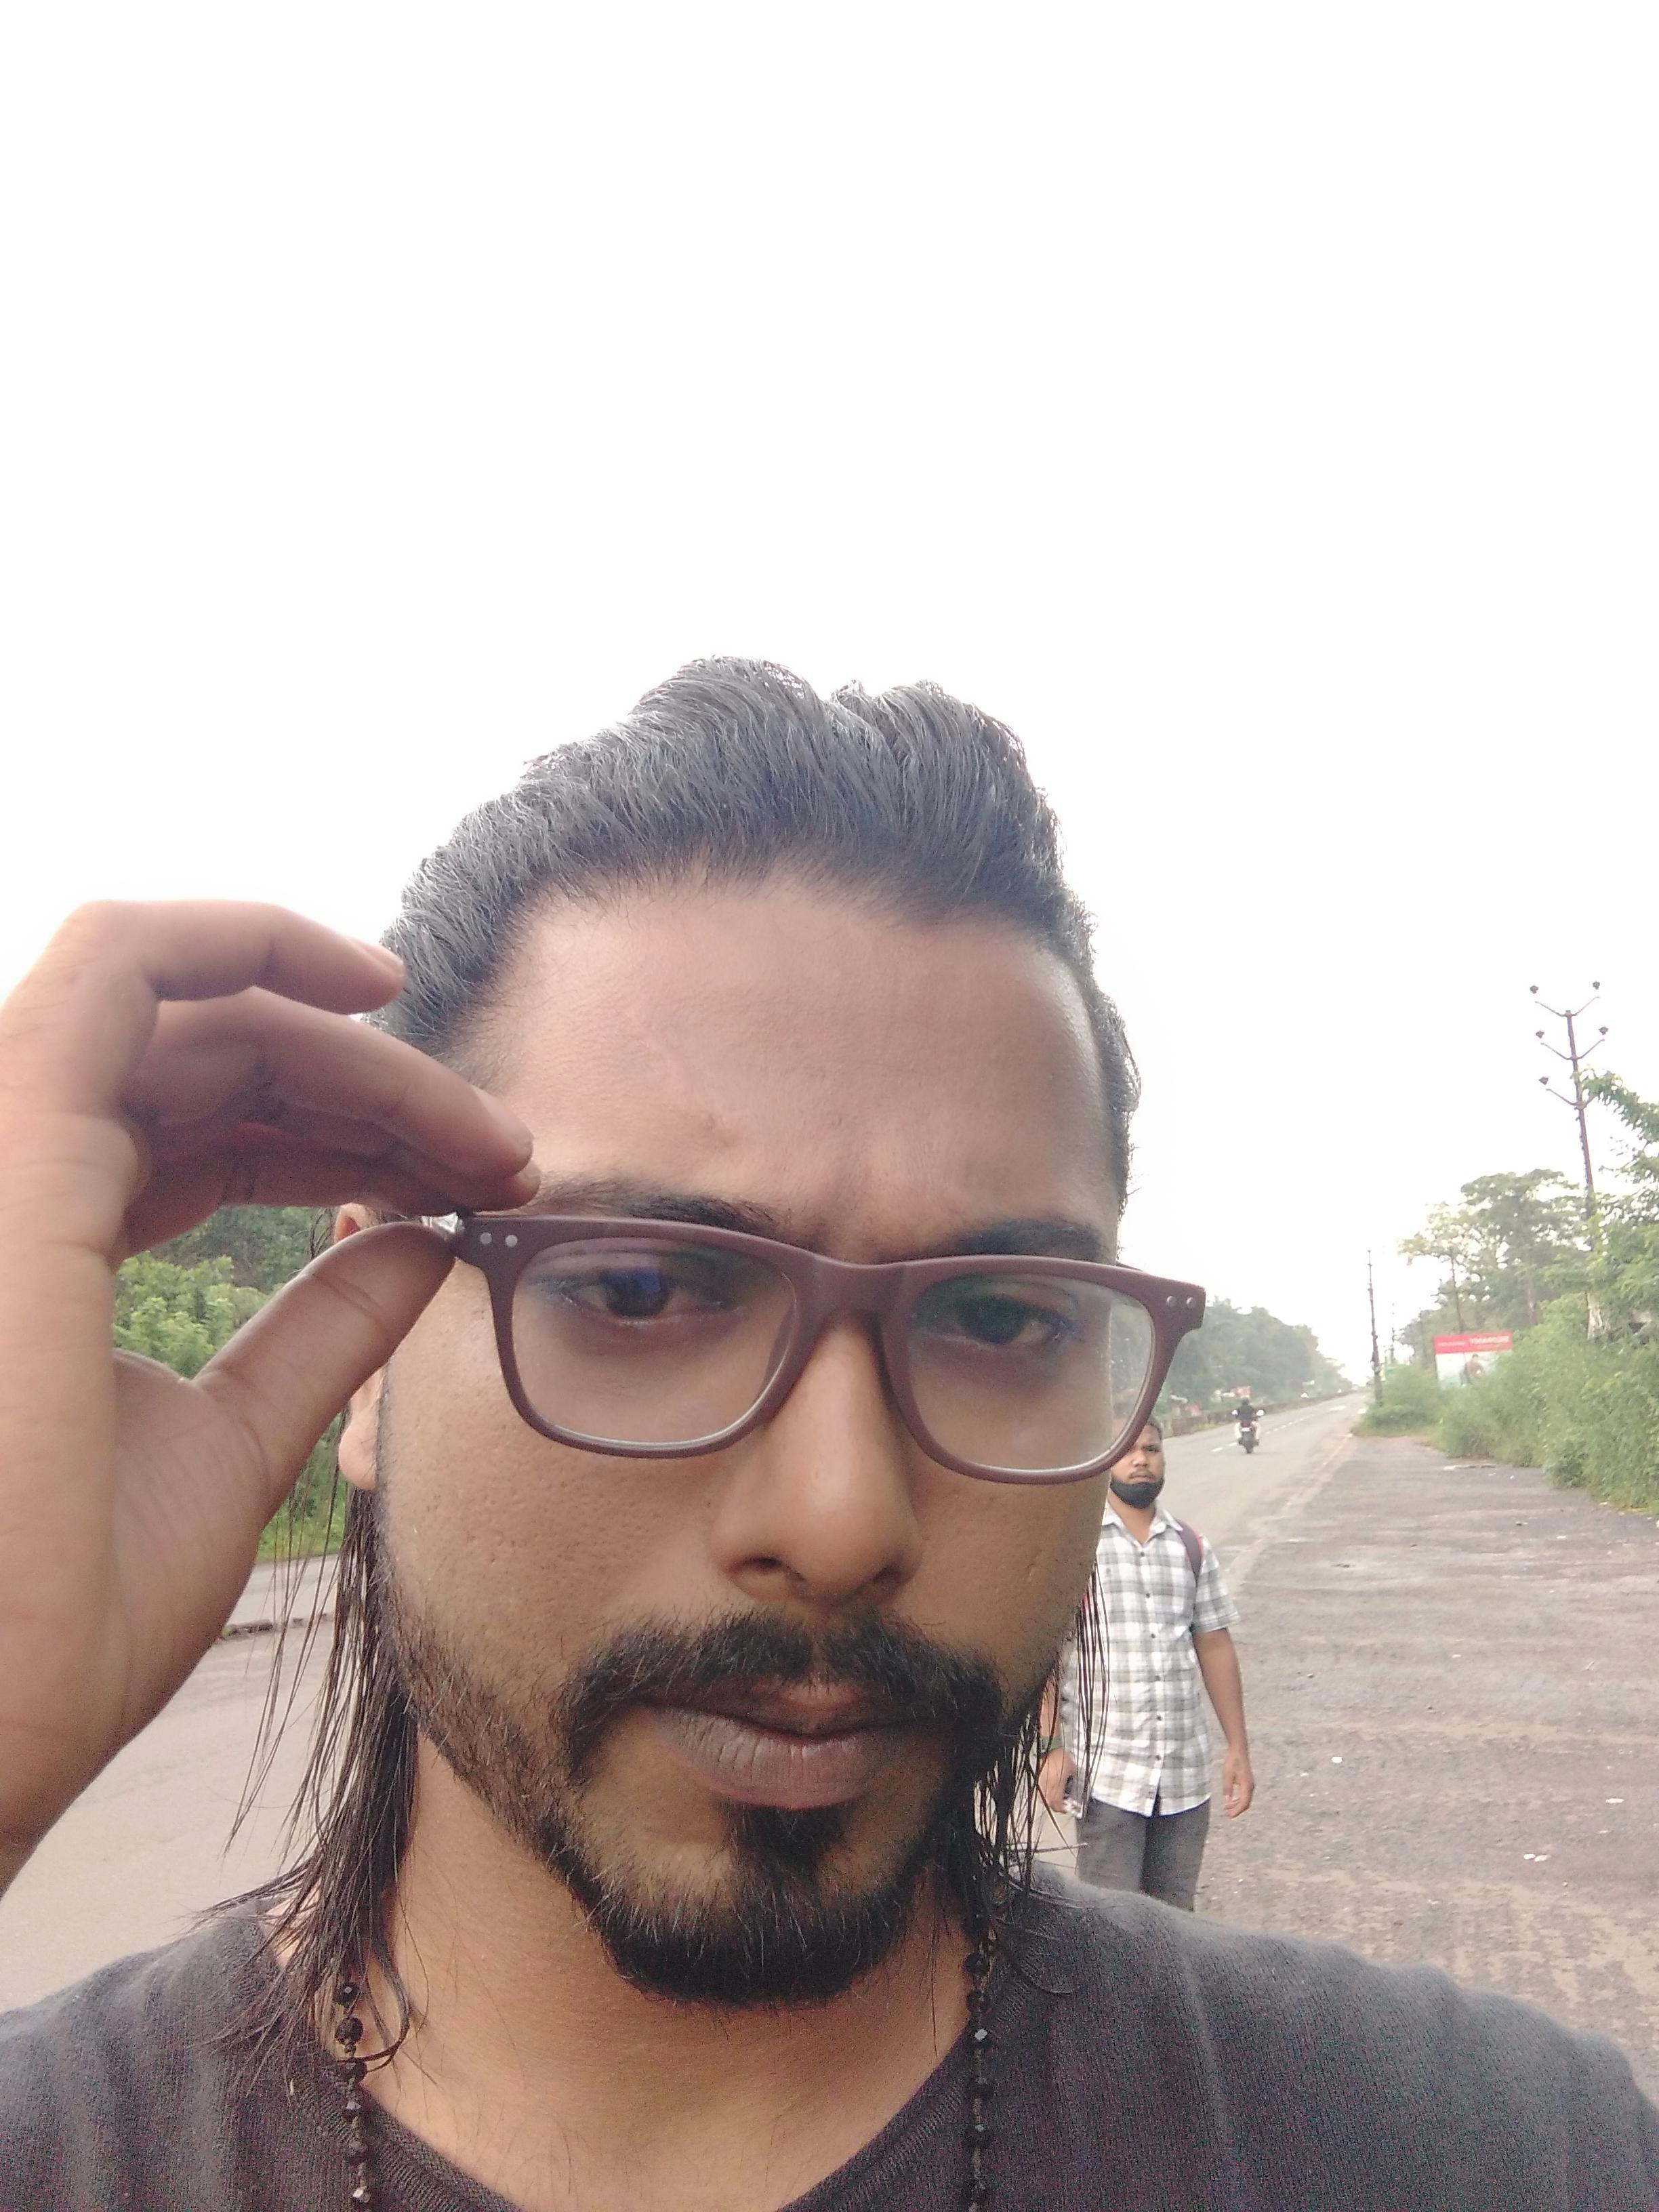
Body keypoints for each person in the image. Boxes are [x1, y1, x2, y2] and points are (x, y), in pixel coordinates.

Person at [1, 661, 1654, 2212]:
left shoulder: (1487, 2149)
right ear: (364, 1356)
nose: (845, 1521)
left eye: (997, 1318)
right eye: (642, 1286)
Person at [1041, 1419, 1251, 1911]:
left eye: (1152, 1449)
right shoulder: (1076, 1547)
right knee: (1110, 1925)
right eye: (1127, 1450)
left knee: (1176, 1925)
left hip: (1183, 1777)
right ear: (1104, 1462)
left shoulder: (1190, 1546)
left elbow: (1215, 1646)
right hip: (1107, 1777)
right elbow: (1046, 1655)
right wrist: (1051, 1746)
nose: (1141, 1460)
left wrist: (1238, 1748)